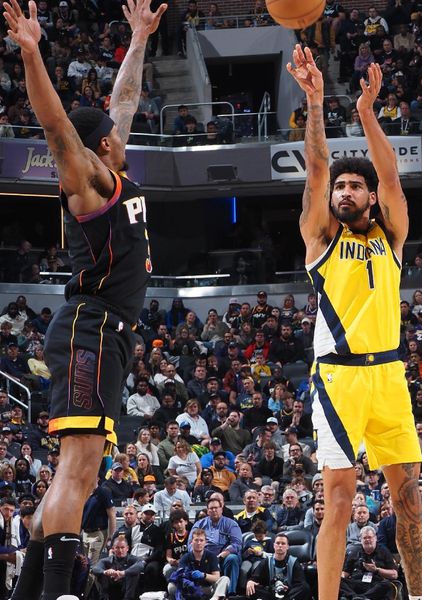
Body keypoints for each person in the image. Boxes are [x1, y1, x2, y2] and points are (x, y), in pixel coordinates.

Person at [3, 2, 166, 600]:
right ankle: (58, 593)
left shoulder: (113, 166)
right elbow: (55, 125)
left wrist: (139, 36)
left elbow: (122, 99)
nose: (122, 134)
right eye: (111, 136)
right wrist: (31, 51)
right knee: (79, 467)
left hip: (105, 333)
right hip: (90, 328)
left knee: (77, 472)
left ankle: (27, 593)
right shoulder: (87, 179)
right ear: (100, 146)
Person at [286, 46, 422, 600]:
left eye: (353, 186)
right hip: (338, 379)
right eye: (339, 187)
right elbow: (317, 167)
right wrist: (317, 103)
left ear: (369, 198)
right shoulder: (320, 237)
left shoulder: (391, 236)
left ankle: (419, 597)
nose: (344, 191)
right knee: (339, 500)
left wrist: (368, 112)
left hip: (389, 376)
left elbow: (391, 175)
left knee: (409, 501)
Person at [236, 532, 312, 600]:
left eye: (283, 543)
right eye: (278, 543)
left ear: (287, 546)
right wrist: (250, 581)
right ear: (274, 545)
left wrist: (289, 589)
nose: (280, 546)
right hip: (271, 593)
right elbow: (255, 578)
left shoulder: (294, 561)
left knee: (305, 588)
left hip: (288, 593)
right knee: (252, 587)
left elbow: (301, 583)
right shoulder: (266, 561)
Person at [340, 525, 399, 600]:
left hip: (374, 585)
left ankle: (360, 598)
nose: (367, 540)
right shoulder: (354, 552)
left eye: (370, 537)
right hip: (356, 583)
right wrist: (341, 576)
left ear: (375, 538)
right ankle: (357, 597)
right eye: (364, 538)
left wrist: (377, 570)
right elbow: (346, 573)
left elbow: (394, 575)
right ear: (360, 540)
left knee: (388, 585)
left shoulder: (384, 552)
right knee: (339, 581)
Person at [169, 528, 229, 600]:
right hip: (191, 588)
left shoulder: (211, 556)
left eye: (201, 540)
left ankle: (215, 598)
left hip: (208, 588)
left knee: (225, 579)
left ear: (205, 542)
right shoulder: (185, 557)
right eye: (196, 540)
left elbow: (216, 577)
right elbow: (180, 576)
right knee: (171, 587)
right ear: (191, 542)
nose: (199, 543)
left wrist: (203, 575)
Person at [90, 535, 144, 600]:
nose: (120, 550)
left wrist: (123, 573)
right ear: (113, 548)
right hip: (111, 588)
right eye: (117, 548)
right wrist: (106, 572)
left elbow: (141, 565)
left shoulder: (133, 559)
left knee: (133, 574)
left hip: (127, 589)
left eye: (122, 547)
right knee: (101, 574)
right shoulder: (106, 560)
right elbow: (95, 568)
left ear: (127, 548)